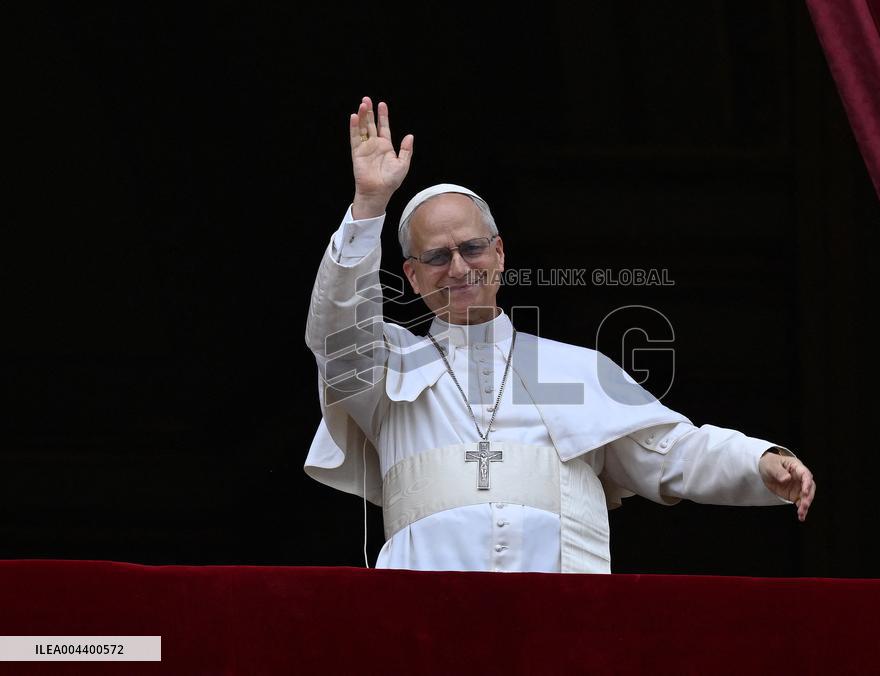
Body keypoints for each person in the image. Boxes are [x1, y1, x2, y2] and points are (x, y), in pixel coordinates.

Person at [303, 96, 816, 574]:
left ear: (500, 254)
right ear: (411, 277)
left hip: (559, 619)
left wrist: (758, 461)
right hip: (422, 624)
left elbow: (671, 452)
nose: (459, 268)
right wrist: (369, 206)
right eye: (437, 256)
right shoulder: (387, 365)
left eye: (472, 248)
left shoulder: (573, 371)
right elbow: (335, 327)